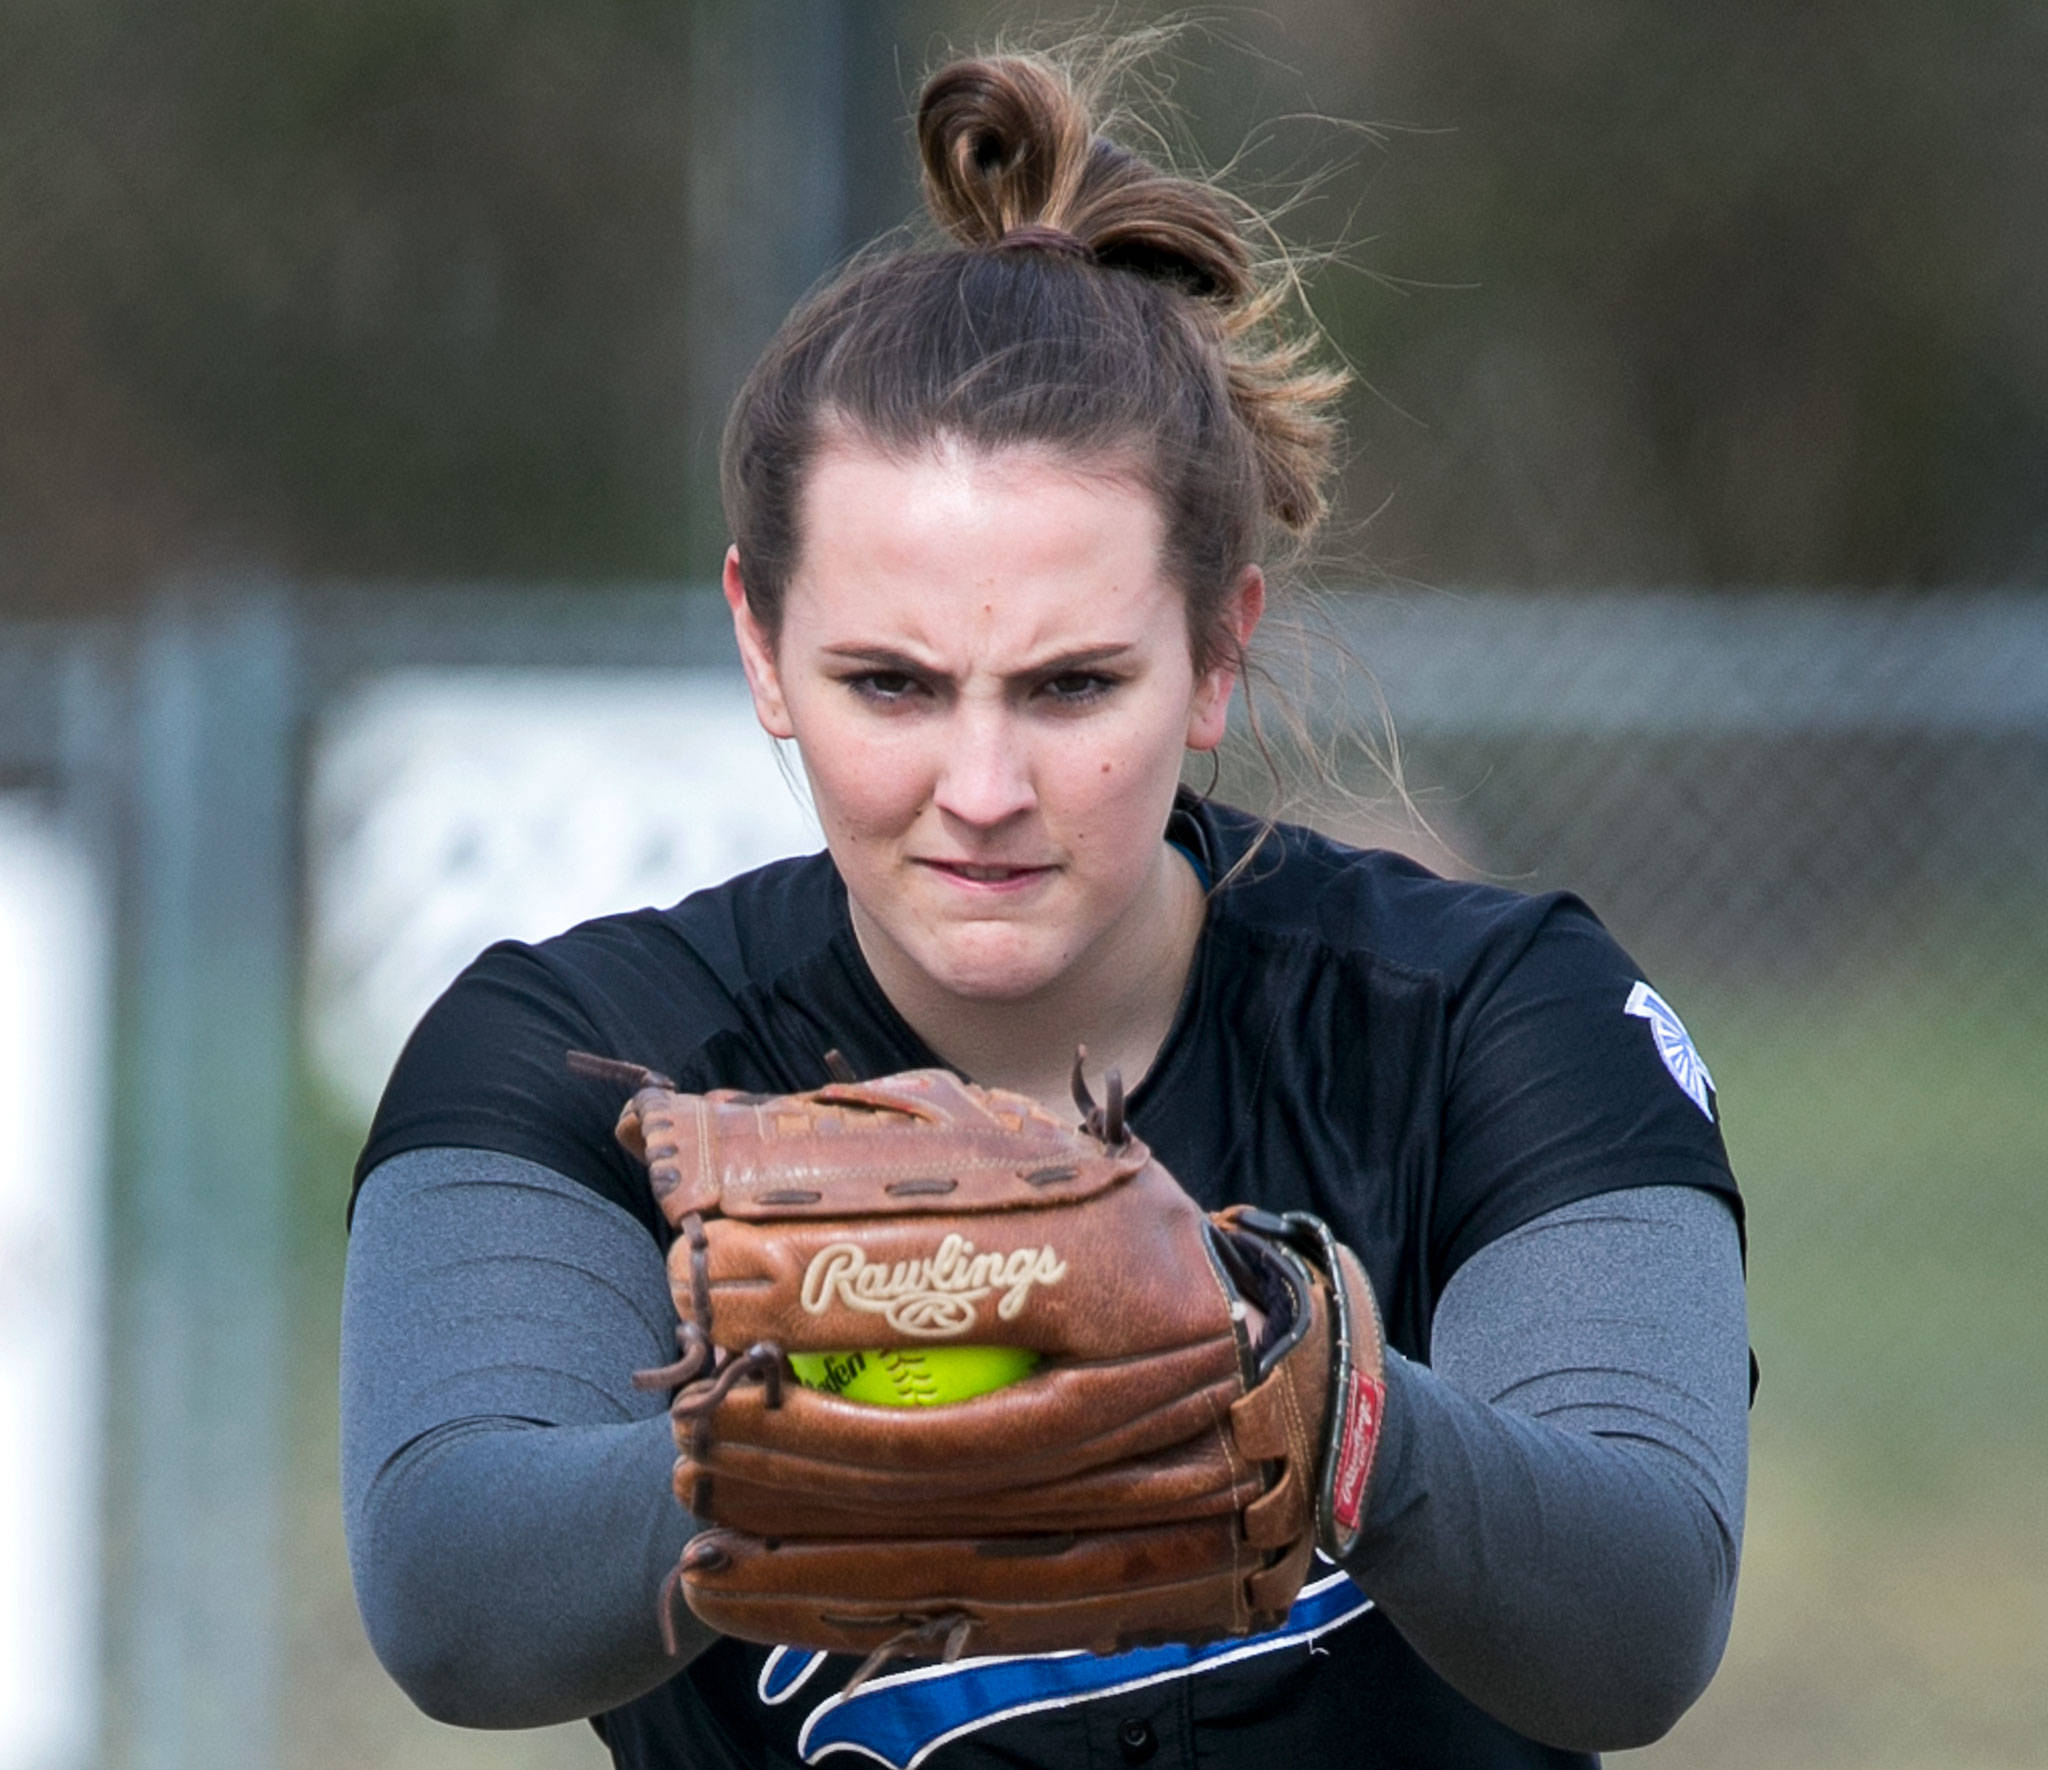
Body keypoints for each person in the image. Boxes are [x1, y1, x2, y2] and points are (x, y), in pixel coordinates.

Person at [340, 44, 1750, 1770]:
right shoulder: (576, 1056)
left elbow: (1640, 1615)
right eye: (893, 684)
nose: (984, 785)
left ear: (1219, 651)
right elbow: (453, 1591)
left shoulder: (1485, 1014)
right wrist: (866, 1388)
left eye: (1073, 686)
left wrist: (1298, 1381)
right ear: (758, 648)